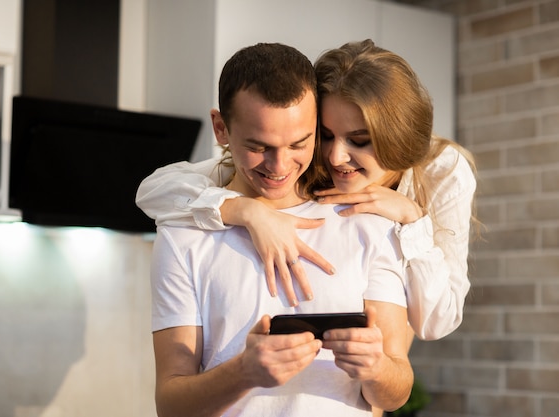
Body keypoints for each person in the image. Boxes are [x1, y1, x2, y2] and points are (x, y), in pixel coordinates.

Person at [137, 39, 477, 342]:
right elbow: (154, 191)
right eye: (325, 135)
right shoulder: (286, 162)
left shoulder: (441, 171)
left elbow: (437, 321)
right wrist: (249, 211)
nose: (335, 157)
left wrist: (411, 217)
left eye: (359, 141)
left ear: (396, 136)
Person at [149, 42, 412, 417]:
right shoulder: (183, 237)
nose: (279, 165)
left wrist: (377, 368)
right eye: (259, 146)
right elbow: (170, 406)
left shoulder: (366, 222)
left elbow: (396, 390)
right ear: (221, 128)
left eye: (299, 143)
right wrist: (242, 372)